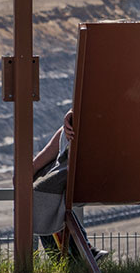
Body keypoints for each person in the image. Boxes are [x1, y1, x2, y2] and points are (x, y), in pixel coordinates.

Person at [30, 110, 106, 261]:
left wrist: (73, 113)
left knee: (39, 194)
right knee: (49, 186)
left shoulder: (82, 121)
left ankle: (66, 259)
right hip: (137, 182)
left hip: (93, 180)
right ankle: (83, 252)